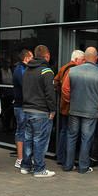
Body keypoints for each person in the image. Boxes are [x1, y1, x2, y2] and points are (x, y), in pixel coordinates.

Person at [61, 47, 98, 174]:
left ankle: (68, 165)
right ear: (96, 57)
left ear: (85, 57)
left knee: (71, 136)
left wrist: (70, 101)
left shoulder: (72, 71)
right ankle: (83, 167)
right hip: (91, 111)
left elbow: (65, 90)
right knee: (86, 138)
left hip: (74, 109)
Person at [20, 45, 57, 178]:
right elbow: (50, 93)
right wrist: (52, 109)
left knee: (28, 139)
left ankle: (25, 165)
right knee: (39, 140)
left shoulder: (27, 70)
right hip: (41, 111)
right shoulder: (46, 71)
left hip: (27, 109)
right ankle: (39, 169)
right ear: (46, 56)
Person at [53, 50, 85, 166]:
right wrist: (68, 99)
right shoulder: (73, 70)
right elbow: (66, 88)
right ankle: (65, 158)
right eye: (82, 60)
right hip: (70, 107)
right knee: (69, 133)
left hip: (63, 106)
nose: (84, 62)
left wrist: (60, 95)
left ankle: (61, 157)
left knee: (64, 131)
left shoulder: (63, 68)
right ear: (76, 59)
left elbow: (55, 82)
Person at [11, 48, 32, 168]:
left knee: (25, 131)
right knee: (21, 131)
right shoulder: (20, 70)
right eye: (31, 57)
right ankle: (20, 159)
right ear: (26, 58)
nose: (33, 59)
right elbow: (26, 86)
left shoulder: (23, 69)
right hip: (21, 106)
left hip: (23, 105)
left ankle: (25, 157)